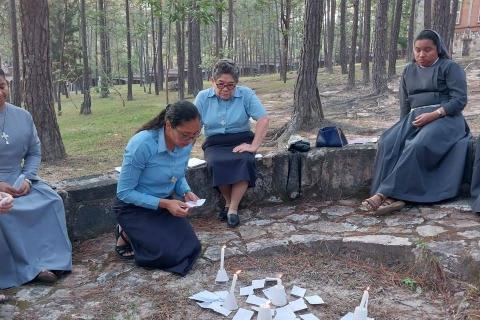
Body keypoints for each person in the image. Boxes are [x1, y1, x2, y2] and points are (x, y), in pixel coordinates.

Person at [361, 29, 470, 215]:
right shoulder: (408, 71)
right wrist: (402, 128)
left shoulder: (450, 67)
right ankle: (394, 197)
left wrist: (434, 114)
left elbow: (460, 100)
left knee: (417, 145)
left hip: (447, 120)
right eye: (417, 50)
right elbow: (405, 104)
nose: (421, 54)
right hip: (416, 119)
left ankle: (385, 194)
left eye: (427, 50)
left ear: (438, 50)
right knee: (388, 142)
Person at [0, 69, 72, 289]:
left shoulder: (23, 116)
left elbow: (34, 153)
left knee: (51, 200)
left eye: (2, 86)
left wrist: (28, 179)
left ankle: (51, 261)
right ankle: (27, 267)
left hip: (19, 178)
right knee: (7, 212)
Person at [114, 100, 202, 276]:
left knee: (192, 247)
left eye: (195, 135)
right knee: (170, 255)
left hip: (163, 204)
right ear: (169, 125)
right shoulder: (142, 144)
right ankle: (124, 233)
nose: (190, 141)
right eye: (185, 135)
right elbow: (124, 192)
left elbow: (178, 174)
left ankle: (138, 234)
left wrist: (186, 191)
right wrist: (166, 204)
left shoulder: (186, 143)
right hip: (134, 207)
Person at [194, 59, 269, 227]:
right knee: (215, 162)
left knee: (245, 160)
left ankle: (232, 208)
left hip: (241, 139)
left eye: (231, 85)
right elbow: (194, 126)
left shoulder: (246, 94)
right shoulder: (203, 98)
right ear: (212, 81)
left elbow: (263, 119)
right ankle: (228, 202)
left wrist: (254, 146)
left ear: (237, 83)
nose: (226, 89)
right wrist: (181, 153)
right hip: (215, 143)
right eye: (220, 84)